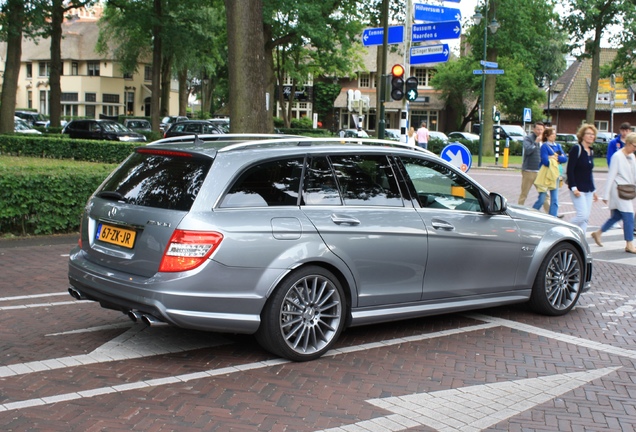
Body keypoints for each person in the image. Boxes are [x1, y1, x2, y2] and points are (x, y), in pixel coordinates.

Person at [591, 132, 636, 254]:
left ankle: (598, 233)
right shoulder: (617, 156)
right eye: (634, 145)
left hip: (628, 190)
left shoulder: (632, 157)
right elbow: (611, 175)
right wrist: (606, 195)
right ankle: (629, 244)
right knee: (628, 216)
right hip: (618, 190)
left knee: (617, 216)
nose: (635, 148)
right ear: (628, 143)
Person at [567, 123, 599, 232]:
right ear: (582, 135)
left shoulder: (591, 151)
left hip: (588, 189)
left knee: (585, 219)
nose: (591, 136)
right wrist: (573, 187)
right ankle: (563, 228)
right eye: (589, 134)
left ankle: (582, 241)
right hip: (578, 189)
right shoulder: (577, 149)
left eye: (593, 134)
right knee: (582, 215)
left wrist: (594, 190)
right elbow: (570, 170)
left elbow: (589, 172)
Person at [532, 128, 567, 216]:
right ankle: (532, 213)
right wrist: (556, 158)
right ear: (547, 136)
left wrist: (553, 158)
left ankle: (553, 217)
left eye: (555, 134)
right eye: (552, 134)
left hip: (555, 174)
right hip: (546, 174)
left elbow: (565, 159)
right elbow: (545, 161)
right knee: (542, 198)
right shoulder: (544, 146)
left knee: (554, 199)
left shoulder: (558, 146)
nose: (554, 136)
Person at [519, 122, 549, 211]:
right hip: (529, 171)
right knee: (524, 193)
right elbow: (528, 151)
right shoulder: (528, 138)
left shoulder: (545, 140)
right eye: (538, 129)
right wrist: (536, 142)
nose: (539, 131)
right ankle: (519, 210)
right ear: (534, 129)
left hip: (540, 171)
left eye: (541, 129)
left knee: (545, 194)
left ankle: (551, 212)